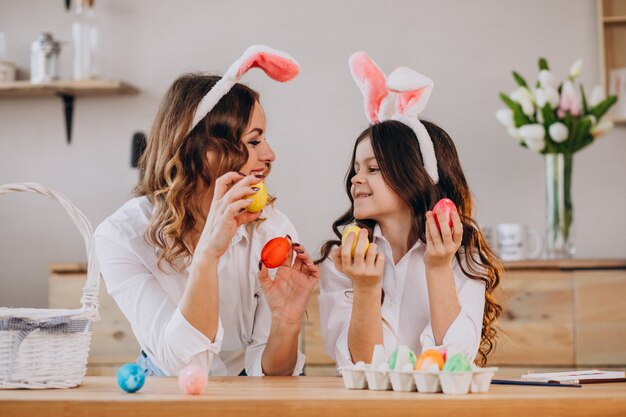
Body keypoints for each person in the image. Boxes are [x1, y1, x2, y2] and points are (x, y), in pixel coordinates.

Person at [95, 45, 319, 377]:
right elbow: (184, 366)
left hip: (247, 384)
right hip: (166, 382)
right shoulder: (122, 236)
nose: (270, 154)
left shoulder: (272, 229)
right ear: (205, 152)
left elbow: (271, 375)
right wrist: (208, 254)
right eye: (254, 141)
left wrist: (286, 325)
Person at [318, 52, 501, 367]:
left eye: (373, 168)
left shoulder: (461, 253)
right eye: (355, 169)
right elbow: (362, 366)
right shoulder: (342, 260)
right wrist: (365, 287)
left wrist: (438, 267)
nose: (356, 179)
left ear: (416, 177)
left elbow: (456, 359)